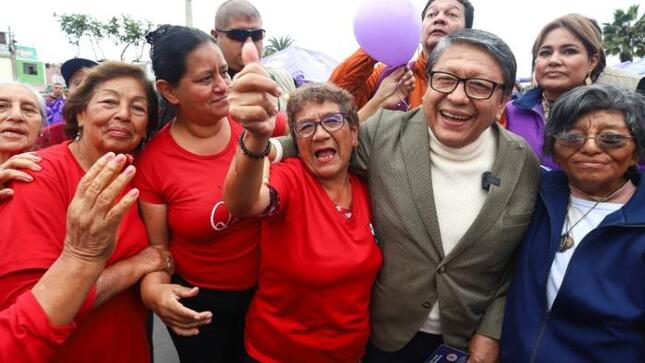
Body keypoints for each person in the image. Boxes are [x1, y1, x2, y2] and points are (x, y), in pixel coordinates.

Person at [260, 29, 539, 363]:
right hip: (386, 338)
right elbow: (325, 140)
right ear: (429, 79)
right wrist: (265, 146)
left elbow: (516, 262)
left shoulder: (522, 163)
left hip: (465, 344)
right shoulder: (384, 133)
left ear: (504, 97)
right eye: (445, 79)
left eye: (479, 85)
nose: (458, 96)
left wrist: (490, 331)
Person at [0, 61, 171, 362]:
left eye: (138, 108)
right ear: (80, 113)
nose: (123, 114)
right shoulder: (38, 174)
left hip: (129, 347)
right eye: (109, 101)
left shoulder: (139, 174)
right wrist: (138, 265)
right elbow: (30, 306)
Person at [136, 25, 286, 363]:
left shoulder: (258, 123)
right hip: (199, 308)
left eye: (224, 72)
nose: (223, 86)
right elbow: (159, 249)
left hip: (269, 296)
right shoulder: (154, 163)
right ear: (168, 91)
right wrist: (156, 289)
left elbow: (322, 135)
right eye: (206, 79)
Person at [225, 81, 382, 362]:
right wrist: (256, 137)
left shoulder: (367, 187)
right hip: (276, 354)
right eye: (306, 127)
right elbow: (245, 203)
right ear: (296, 141)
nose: (320, 134)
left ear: (354, 133)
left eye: (332, 121)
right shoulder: (291, 178)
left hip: (350, 354)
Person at [502, 84, 645, 361]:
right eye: (571, 137)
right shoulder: (533, 193)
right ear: (553, 149)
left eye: (611, 139)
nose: (590, 147)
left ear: (636, 152)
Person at [0, 152, 141, 362]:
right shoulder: (36, 177)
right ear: (79, 117)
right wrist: (134, 267)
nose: (16, 117)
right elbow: (31, 320)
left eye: (30, 115)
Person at [330, 0, 474, 110]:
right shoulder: (387, 75)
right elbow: (334, 97)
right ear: (418, 29)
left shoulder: (479, 84)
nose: (439, 19)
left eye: (452, 14)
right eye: (431, 14)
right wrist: (377, 44)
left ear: (467, 33)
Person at [503, 14, 605, 169]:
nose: (554, 60)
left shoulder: (613, 116)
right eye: (545, 53)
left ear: (592, 62)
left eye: (569, 51)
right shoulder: (509, 112)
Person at [211, 0, 295, 111]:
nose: (249, 42)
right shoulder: (209, 88)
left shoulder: (282, 79)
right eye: (238, 34)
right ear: (216, 36)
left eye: (256, 35)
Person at [37, 58, 98, 149]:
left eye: (91, 83)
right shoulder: (49, 136)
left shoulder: (121, 133)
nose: (84, 89)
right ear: (68, 92)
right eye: (78, 83)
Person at [0, 82, 46, 200]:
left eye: (28, 109)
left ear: (42, 127)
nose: (16, 116)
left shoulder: (55, 173)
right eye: (1, 106)